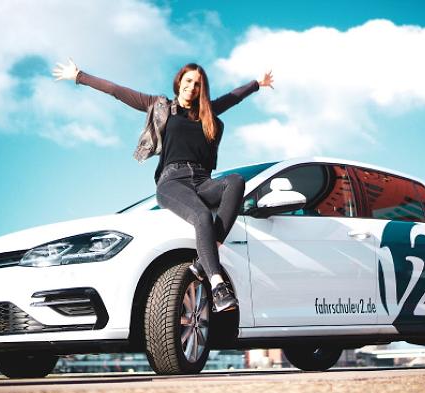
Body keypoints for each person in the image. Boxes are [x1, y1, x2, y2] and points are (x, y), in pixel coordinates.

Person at [53, 59, 273, 312]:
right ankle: (218, 285)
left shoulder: (207, 113)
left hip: (202, 180)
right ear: (179, 82)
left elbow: (234, 97)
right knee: (202, 215)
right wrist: (80, 76)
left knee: (235, 181)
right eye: (188, 81)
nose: (192, 87)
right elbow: (117, 91)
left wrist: (258, 84)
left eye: (197, 84)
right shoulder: (160, 106)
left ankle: (205, 258)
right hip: (173, 181)